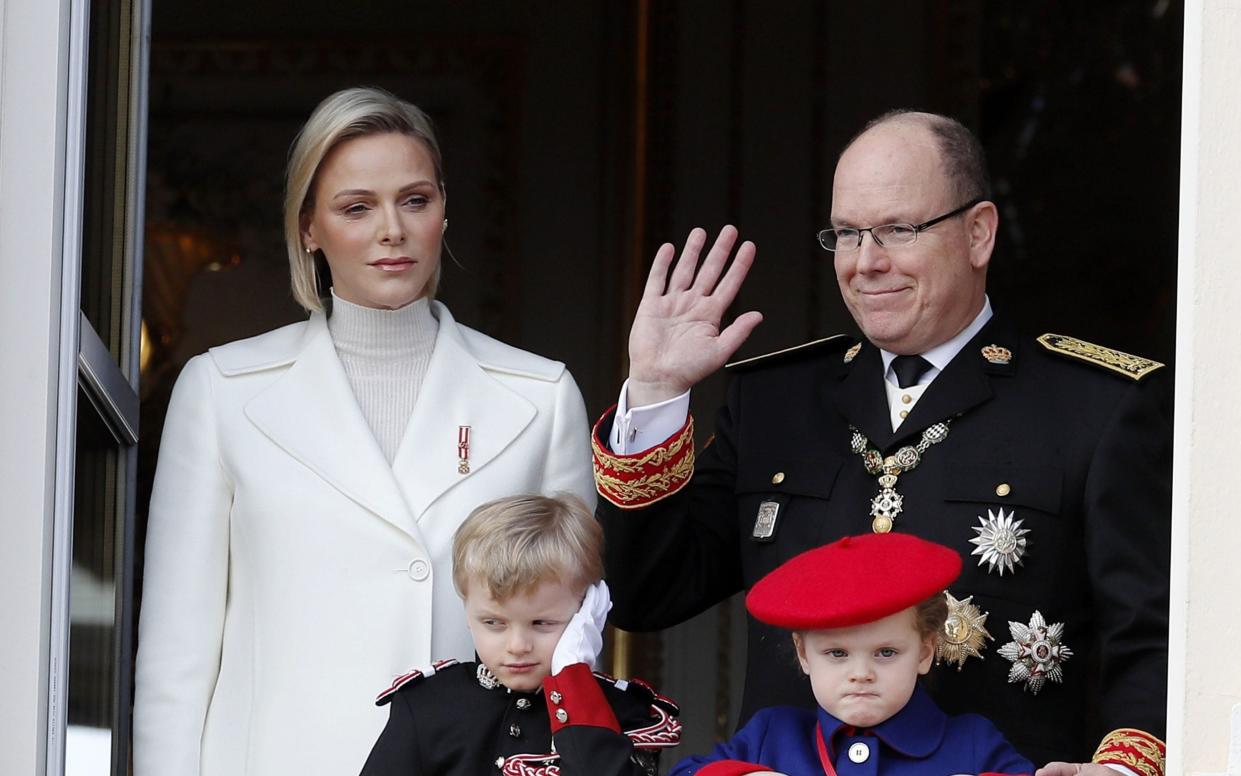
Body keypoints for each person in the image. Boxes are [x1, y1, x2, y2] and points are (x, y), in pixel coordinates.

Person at [591, 110, 1170, 775]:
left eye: (898, 229)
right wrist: (656, 390)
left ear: (977, 233)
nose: (866, 263)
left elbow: (1152, 635)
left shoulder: (1092, 406)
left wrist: (1125, 767)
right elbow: (646, 595)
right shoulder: (777, 399)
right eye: (846, 234)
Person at [133, 87, 596, 776]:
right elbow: (177, 650)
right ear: (308, 228)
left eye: (415, 200)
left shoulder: (541, 396)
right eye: (357, 207)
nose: (392, 229)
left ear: (443, 210)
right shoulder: (222, 390)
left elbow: (572, 643)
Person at [359, 493, 682, 774]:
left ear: (588, 612)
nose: (517, 646)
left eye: (542, 624)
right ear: (467, 612)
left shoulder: (622, 713)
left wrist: (573, 678)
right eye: (494, 623)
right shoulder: (429, 705)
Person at [672, 532, 1034, 775]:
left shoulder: (972, 742)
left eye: (886, 652)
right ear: (803, 653)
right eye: (837, 653)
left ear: (925, 652)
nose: (861, 673)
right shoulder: (772, 734)